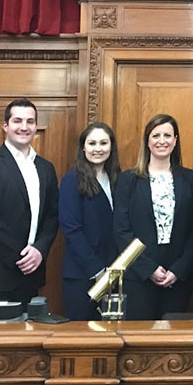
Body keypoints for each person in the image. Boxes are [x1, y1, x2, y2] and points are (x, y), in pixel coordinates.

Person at [0, 98, 59, 316]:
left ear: (36, 127)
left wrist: (39, 250)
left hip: (30, 278)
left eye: (30, 121)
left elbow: (52, 216)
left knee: (28, 348)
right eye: (17, 121)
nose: (24, 127)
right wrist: (20, 256)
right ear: (5, 126)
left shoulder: (46, 168)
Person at [114, 114, 193, 320]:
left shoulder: (189, 178)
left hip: (177, 278)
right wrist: (148, 268)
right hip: (138, 276)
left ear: (176, 140)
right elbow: (121, 231)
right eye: (156, 135)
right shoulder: (129, 180)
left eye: (168, 135)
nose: (162, 141)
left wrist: (179, 270)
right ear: (147, 141)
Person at [58, 122, 121, 320]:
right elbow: (71, 229)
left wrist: (111, 272)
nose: (98, 149)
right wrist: (97, 270)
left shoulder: (120, 179)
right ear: (83, 147)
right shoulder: (72, 181)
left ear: (111, 147)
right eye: (92, 143)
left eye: (103, 143)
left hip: (115, 273)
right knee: (82, 339)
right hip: (82, 275)